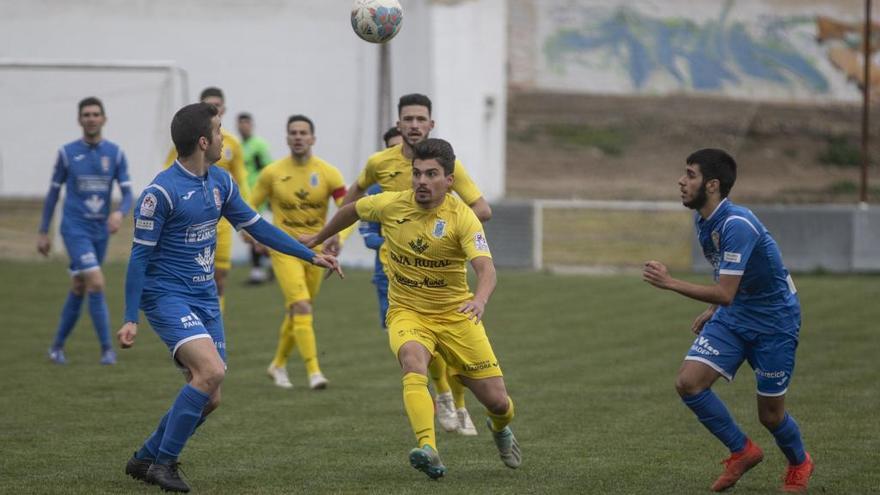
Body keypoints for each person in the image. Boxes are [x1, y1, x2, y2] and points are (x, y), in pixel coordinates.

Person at [118, 102, 340, 493]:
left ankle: (145, 457)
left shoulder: (220, 182)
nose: (226, 139)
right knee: (211, 373)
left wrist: (310, 254)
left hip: (204, 297)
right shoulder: (160, 193)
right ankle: (164, 464)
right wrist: (130, 316)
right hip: (166, 296)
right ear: (204, 141)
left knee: (211, 396)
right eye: (220, 131)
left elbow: (258, 228)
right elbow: (138, 258)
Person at [306, 138, 520, 479]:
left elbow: (486, 269)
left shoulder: (462, 217)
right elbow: (352, 208)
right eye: (417, 173)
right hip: (408, 311)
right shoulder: (392, 204)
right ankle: (429, 448)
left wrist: (478, 300)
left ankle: (500, 428)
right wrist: (319, 238)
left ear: (449, 181)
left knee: (497, 401)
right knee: (411, 359)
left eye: (431, 174)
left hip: (456, 315)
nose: (421, 180)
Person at [642, 149, 813, 493]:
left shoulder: (736, 224)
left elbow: (724, 292)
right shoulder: (705, 220)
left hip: (774, 323)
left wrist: (671, 283)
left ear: (713, 184)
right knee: (688, 382)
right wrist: (714, 310)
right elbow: (728, 282)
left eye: (690, 174)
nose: (681, 180)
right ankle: (742, 450)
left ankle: (799, 462)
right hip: (736, 314)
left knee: (771, 416)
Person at [342, 94, 486, 435]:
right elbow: (354, 197)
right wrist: (338, 235)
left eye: (421, 119)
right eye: (408, 119)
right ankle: (444, 400)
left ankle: (459, 405)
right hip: (390, 271)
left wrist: (448, 228)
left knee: (449, 344)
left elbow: (482, 209)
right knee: (416, 344)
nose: (414, 125)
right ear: (398, 124)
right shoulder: (380, 162)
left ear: (430, 123)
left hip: (440, 270)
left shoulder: (448, 165)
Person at [249, 115, 349, 390]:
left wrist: (339, 237)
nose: (298, 137)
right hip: (284, 249)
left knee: (299, 310)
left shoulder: (330, 173)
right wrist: (250, 234)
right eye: (293, 132)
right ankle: (314, 372)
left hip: (318, 252)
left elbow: (348, 211)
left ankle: (278, 364)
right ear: (287, 138)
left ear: (313, 138)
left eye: (303, 132)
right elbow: (249, 206)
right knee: (302, 305)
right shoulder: (271, 173)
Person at [38, 96, 133, 365]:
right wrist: (44, 231)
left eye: (95, 114)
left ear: (103, 119)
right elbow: (52, 195)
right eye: (86, 114)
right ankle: (107, 350)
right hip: (74, 228)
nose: (91, 118)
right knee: (96, 282)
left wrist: (119, 212)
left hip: (100, 231)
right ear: (80, 119)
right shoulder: (67, 154)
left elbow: (128, 195)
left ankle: (56, 348)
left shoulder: (115, 154)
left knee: (80, 285)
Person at [163, 87, 247, 312]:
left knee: (219, 279)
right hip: (192, 221)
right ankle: (191, 327)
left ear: (224, 109)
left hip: (223, 222)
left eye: (218, 105)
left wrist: (247, 221)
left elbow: (242, 183)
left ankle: (213, 327)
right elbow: (169, 176)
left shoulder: (231, 145)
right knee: (192, 280)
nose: (214, 109)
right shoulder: (186, 144)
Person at [358, 127, 403, 330]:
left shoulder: (424, 187)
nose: (397, 152)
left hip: (423, 275)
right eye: (392, 148)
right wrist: (400, 245)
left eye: (401, 147)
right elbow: (369, 237)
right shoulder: (374, 193)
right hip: (386, 276)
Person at [237, 112, 273, 284]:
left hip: (260, 197)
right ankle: (266, 268)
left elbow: (267, 170)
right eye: (240, 123)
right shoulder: (238, 147)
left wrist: (270, 195)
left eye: (246, 123)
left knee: (257, 233)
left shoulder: (258, 145)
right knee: (252, 234)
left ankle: (260, 270)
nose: (243, 126)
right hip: (245, 197)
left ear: (251, 125)